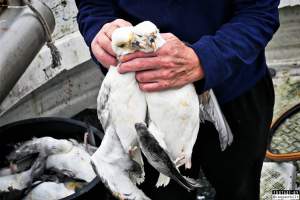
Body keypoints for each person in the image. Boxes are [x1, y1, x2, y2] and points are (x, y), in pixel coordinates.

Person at [75, 1, 280, 199]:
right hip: (141, 106)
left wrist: (207, 58)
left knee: (240, 188)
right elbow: (94, 6)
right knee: (160, 190)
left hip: (234, 88)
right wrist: (99, 30)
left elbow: (259, 12)